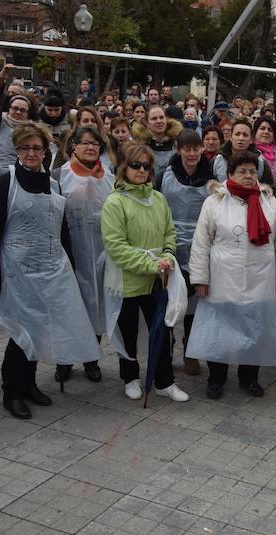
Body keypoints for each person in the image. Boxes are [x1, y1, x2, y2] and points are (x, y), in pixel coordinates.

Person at [0, 123, 101, 419]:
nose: (32, 153)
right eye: (25, 148)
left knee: (41, 328)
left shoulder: (54, 184)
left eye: (37, 148)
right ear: (17, 150)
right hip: (16, 272)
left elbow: (61, 231)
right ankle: (12, 391)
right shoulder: (2, 184)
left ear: (46, 150)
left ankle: (30, 384)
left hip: (51, 271)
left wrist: (69, 268)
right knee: (22, 332)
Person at [187, 150, 276, 399]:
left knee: (255, 329)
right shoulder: (215, 201)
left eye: (252, 171)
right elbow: (201, 243)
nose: (248, 176)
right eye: (242, 171)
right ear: (230, 173)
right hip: (223, 278)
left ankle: (249, 378)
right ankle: (217, 379)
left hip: (260, 276)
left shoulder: (268, 200)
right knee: (220, 330)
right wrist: (200, 279)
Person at [100, 143, 189, 403]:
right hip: (127, 280)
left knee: (162, 331)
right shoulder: (115, 202)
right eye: (135, 165)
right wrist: (152, 264)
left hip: (156, 280)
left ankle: (164, 381)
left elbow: (169, 232)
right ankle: (130, 377)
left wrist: (168, 255)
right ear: (123, 167)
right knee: (128, 332)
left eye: (146, 166)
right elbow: (117, 247)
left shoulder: (158, 198)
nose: (141, 170)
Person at [52, 125, 115, 387]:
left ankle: (91, 359)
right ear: (72, 146)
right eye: (85, 143)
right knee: (68, 306)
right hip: (71, 252)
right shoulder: (59, 175)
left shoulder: (109, 176)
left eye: (95, 144)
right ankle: (64, 360)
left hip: (102, 252)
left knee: (95, 306)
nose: (90, 147)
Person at [155, 129, 212, 375]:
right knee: (168, 302)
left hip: (199, 249)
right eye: (186, 148)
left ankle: (191, 351)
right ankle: (165, 351)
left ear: (202, 149)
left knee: (195, 306)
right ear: (178, 150)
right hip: (169, 247)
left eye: (195, 148)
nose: (191, 153)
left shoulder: (212, 178)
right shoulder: (164, 176)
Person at [0, 65, 36, 177]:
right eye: (15, 108)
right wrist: (1, 79)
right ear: (9, 108)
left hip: (17, 177)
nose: (18, 112)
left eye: (22, 110)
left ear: (28, 113)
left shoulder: (32, 130)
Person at [212, 116, 269, 184]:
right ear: (231, 137)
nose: (241, 138)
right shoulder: (218, 160)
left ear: (251, 139)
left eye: (245, 135)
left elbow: (267, 188)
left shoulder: (260, 162)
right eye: (237, 134)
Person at [132, 105, 183, 171]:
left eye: (161, 117)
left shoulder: (178, 143)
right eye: (154, 119)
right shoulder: (139, 146)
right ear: (147, 123)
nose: (159, 121)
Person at [253, 116, 276, 182]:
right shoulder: (250, 153)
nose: (266, 132)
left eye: (270, 130)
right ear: (255, 132)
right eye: (262, 128)